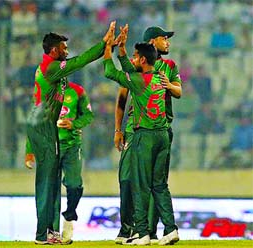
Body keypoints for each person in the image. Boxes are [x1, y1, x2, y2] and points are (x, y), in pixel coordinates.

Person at [24, 21, 115, 245]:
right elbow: (81, 61)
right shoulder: (51, 68)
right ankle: (42, 234)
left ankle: (50, 231)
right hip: (44, 127)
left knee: (52, 182)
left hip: (43, 125)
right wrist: (104, 44)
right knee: (47, 183)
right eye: (64, 48)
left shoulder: (51, 68)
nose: (67, 51)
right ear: (54, 50)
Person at [104, 26, 179, 245]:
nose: (168, 41)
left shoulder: (139, 79)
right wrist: (123, 51)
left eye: (137, 56)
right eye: (164, 38)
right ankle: (169, 229)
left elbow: (112, 72)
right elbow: (128, 72)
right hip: (161, 133)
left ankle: (143, 232)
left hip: (144, 134)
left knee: (139, 182)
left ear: (143, 59)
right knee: (157, 184)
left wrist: (109, 48)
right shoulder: (158, 75)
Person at [25, 81, 94, 245]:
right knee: (53, 190)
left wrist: (74, 124)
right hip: (50, 146)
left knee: (74, 183)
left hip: (72, 146)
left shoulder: (77, 91)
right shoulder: (44, 93)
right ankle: (53, 232)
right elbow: (33, 123)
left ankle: (69, 216)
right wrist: (29, 151)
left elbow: (88, 115)